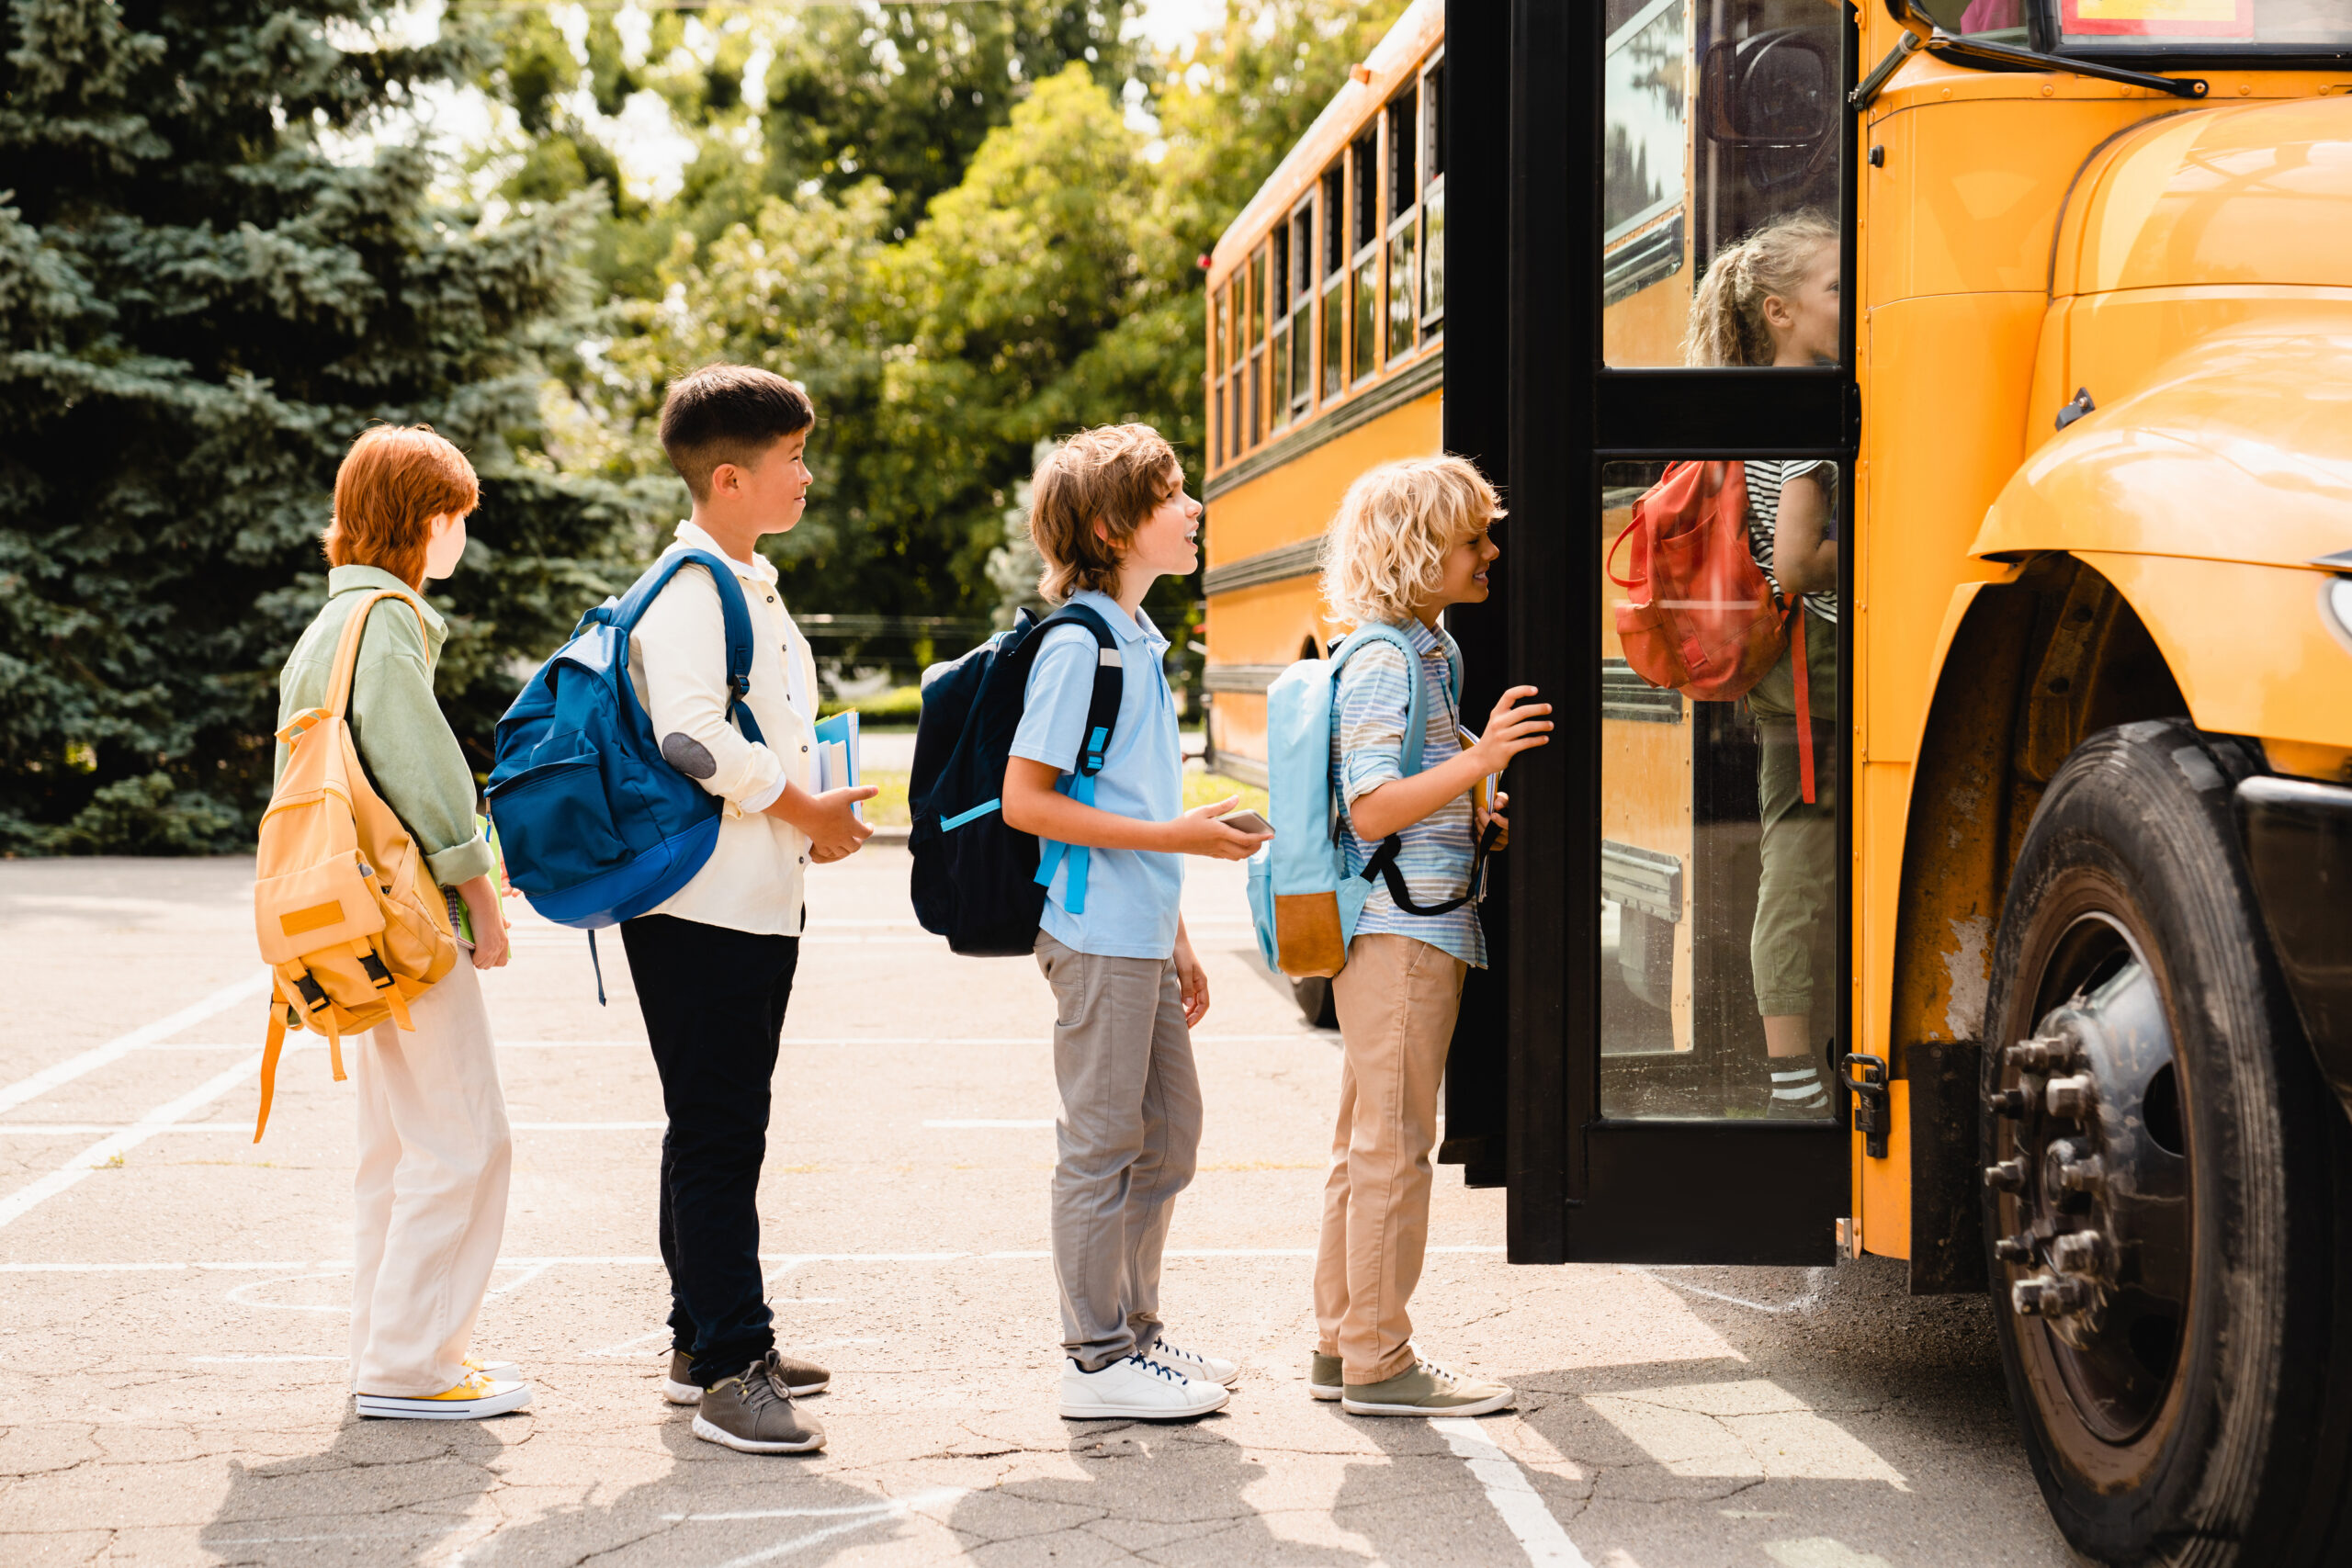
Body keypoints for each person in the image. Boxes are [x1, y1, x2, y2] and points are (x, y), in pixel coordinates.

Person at [621, 364, 877, 1454]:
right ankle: (732, 1365)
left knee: (711, 1127)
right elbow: (689, 736)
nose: (807, 475)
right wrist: (804, 804)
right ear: (729, 478)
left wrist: (810, 809)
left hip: (743, 902)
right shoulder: (691, 592)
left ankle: (703, 1342)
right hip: (703, 907)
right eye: (791, 461)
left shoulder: (744, 580)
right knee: (723, 1133)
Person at [999, 423, 1272, 1422]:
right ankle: (1094, 1359)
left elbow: (1126, 801)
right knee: (1105, 1143)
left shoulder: (1133, 639)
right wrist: (1177, 838)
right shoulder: (1080, 645)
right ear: (1115, 527)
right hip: (1097, 938)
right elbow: (1027, 800)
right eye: (1171, 495)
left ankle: (1134, 1340)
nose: (1193, 508)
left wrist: (1180, 934)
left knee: (1169, 1142)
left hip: (1140, 935)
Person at [275, 425, 527, 1421]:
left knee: (396, 1143)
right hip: (403, 919)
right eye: (458, 515)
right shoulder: (388, 621)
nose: (463, 532)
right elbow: (427, 779)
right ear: (425, 521)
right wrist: (478, 898)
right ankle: (414, 1365)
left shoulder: (326, 626)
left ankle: (387, 1350)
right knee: (467, 1137)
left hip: (340, 919)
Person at [1308, 457, 1552, 1418]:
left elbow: (1412, 795)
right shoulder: (1383, 660)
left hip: (1412, 921)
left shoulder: (1428, 650)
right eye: (1472, 539)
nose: (1490, 552)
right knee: (1392, 1149)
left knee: (1365, 1143)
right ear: (1416, 552)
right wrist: (1483, 761)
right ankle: (1378, 1360)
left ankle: (1341, 1345)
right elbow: (1369, 808)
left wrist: (1475, 809)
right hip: (1399, 933)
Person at [1686, 209, 1843, 1118]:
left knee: (1798, 850)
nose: (1847, 300)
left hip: (1788, 665)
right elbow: (1794, 562)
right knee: (1800, 857)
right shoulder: (1803, 411)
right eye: (1832, 289)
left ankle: (1795, 1062)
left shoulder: (1764, 398)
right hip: (1817, 657)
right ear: (1779, 311)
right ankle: (1792, 1074)